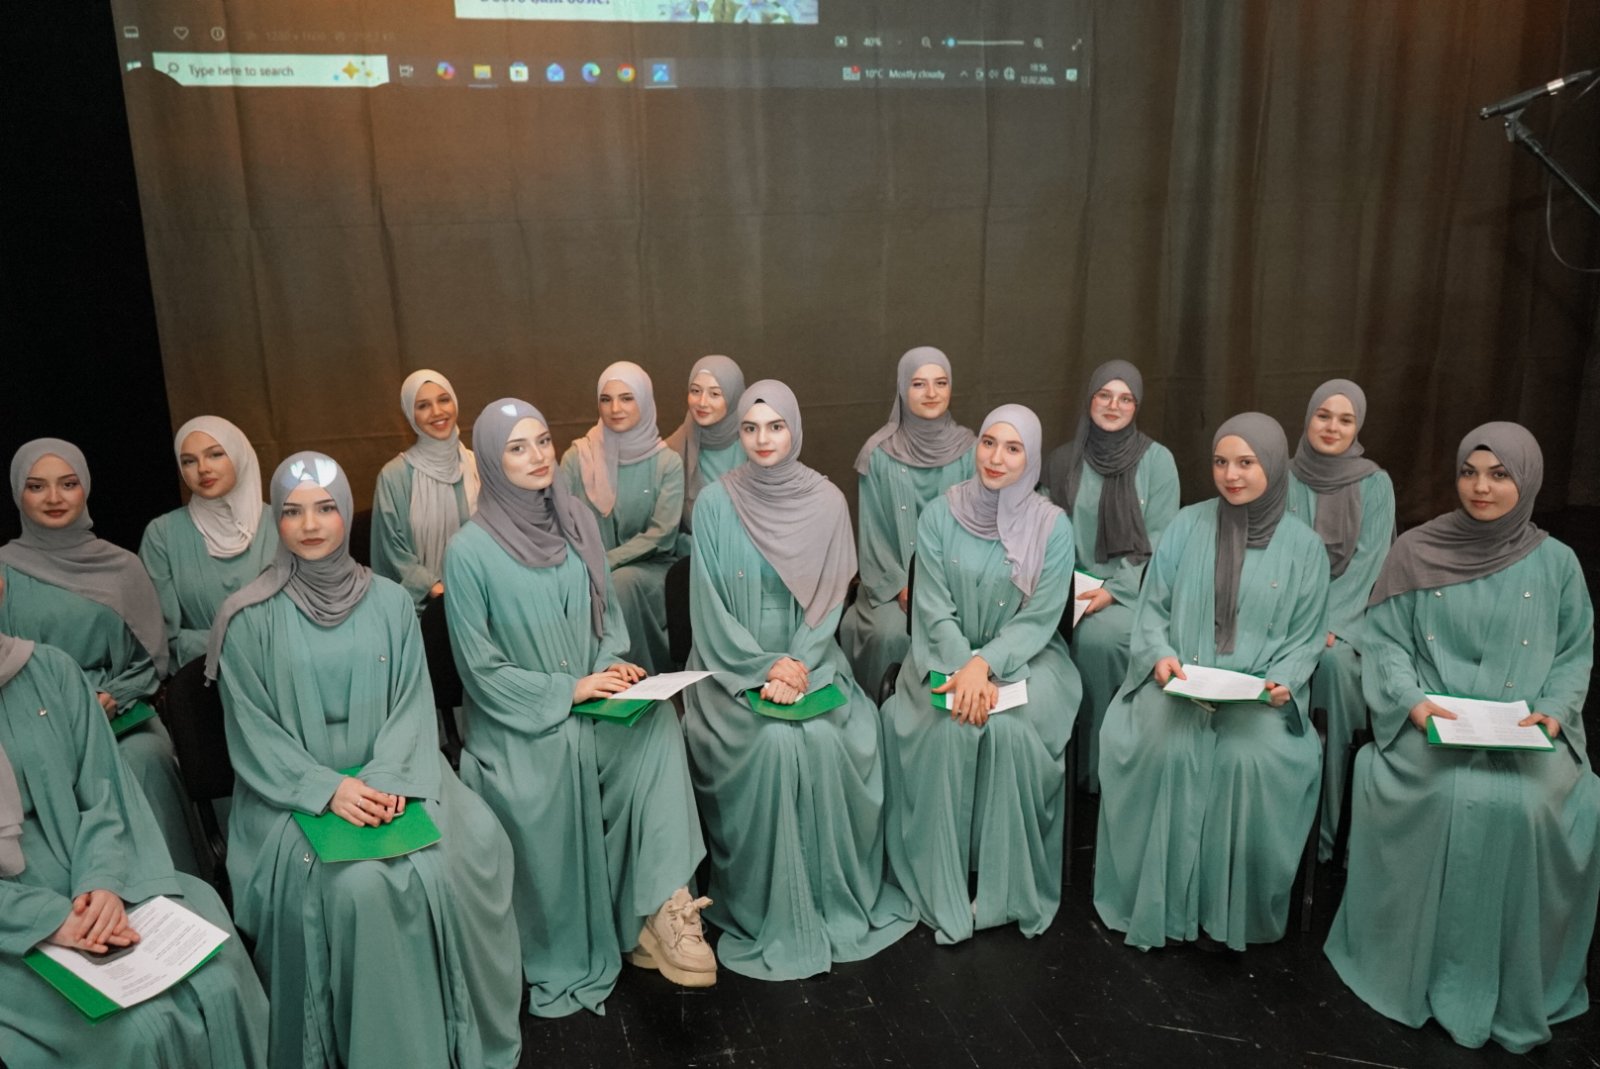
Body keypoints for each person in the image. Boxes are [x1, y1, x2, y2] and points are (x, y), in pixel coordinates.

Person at [208, 451, 522, 1069]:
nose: (310, 525)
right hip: (291, 796)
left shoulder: (390, 602)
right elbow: (253, 732)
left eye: (325, 508)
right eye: (293, 512)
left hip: (396, 776)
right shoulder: (244, 617)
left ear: (347, 512)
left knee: (469, 849)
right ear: (277, 520)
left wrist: (384, 781)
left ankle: (458, 1033)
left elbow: (411, 705)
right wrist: (329, 790)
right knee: (360, 888)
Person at [1325, 422, 1597, 1053]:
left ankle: (1512, 980)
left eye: (1499, 475)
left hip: (1525, 728)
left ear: (1527, 480)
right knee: (1444, 793)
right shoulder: (1416, 548)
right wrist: (1413, 705)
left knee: (1534, 804)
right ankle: (1407, 966)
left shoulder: (1557, 563)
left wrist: (1554, 712)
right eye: (1470, 473)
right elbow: (1386, 643)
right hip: (1430, 723)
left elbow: (1574, 653)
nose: (1481, 487)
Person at [444, 397, 713, 1015]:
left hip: (589, 696)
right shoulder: (468, 552)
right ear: (491, 460)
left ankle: (666, 906)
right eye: (517, 448)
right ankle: (639, 918)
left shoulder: (577, 521)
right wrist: (564, 691)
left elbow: (606, 619)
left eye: (542, 441)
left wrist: (611, 663)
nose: (537, 456)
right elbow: (480, 670)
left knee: (655, 725)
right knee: (568, 751)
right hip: (520, 723)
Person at [683, 379, 917, 980]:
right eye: (751, 428)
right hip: (729, 666)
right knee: (772, 745)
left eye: (775, 426)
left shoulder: (828, 501)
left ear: (795, 429)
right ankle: (766, 906)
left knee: (829, 739)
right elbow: (709, 611)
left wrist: (798, 665)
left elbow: (831, 601)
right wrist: (762, 667)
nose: (763, 439)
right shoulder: (715, 503)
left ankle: (831, 898)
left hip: (811, 657)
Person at [0, 595, 270, 1069]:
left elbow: (104, 792)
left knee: (218, 982)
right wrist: (50, 920)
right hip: (13, 921)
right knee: (138, 1033)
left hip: (106, 873)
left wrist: (102, 883)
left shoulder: (52, 670)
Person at [1093, 414, 1328, 951]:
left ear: (1274, 465)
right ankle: (1158, 905)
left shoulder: (1305, 547)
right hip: (1179, 684)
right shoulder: (1186, 525)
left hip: (1259, 699)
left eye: (1246, 463)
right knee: (1164, 749)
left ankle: (1226, 914)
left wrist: (1285, 679)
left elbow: (1307, 636)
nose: (1231, 475)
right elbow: (1152, 608)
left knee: (1248, 762)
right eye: (1221, 462)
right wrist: (1160, 656)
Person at [881, 404, 1080, 944]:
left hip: (1029, 659)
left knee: (1011, 733)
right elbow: (932, 607)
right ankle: (939, 879)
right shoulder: (939, 515)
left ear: (1031, 457)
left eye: (1013, 448)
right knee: (949, 730)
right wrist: (962, 665)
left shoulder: (1052, 526)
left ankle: (1004, 890)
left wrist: (983, 664)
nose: (996, 458)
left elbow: (1040, 618)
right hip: (941, 654)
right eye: (989, 443)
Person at [0, 439, 200, 876]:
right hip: (28, 720)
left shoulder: (122, 567)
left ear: (85, 488)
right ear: (18, 493)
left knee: (145, 758)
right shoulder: (3, 571)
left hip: (115, 716)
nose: (54, 498)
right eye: (37, 486)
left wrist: (115, 696)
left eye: (68, 484)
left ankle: (165, 890)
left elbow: (150, 660)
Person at [1042, 361, 1180, 792]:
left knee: (1100, 640)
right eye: (1104, 395)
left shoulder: (1158, 461)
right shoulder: (1063, 460)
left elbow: (1161, 538)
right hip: (1067, 586)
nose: (1113, 406)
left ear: (1136, 406)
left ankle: (1101, 771)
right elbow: (1043, 530)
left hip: (1134, 589)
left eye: (1125, 399)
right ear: (1090, 399)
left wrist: (1113, 590)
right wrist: (1064, 588)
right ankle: (1056, 768)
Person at [1283, 380, 1394, 860]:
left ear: (1358, 427)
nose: (1332, 427)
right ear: (1308, 417)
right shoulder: (1281, 475)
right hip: (1285, 615)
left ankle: (1323, 831)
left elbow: (1371, 564)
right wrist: (1302, 623)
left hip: (1348, 620)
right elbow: (1275, 556)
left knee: (1333, 666)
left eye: (1345, 420)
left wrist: (1328, 624)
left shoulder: (1375, 483)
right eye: (1323, 415)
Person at [840, 347, 976, 694]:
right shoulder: (878, 453)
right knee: (889, 634)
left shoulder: (973, 450)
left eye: (940, 383)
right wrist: (903, 586)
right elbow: (873, 537)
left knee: (965, 631)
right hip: (894, 586)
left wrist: (943, 590)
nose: (931, 393)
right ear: (902, 388)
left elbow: (980, 532)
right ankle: (886, 718)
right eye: (919, 384)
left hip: (959, 585)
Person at [562, 361, 684, 672]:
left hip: (649, 569)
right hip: (585, 568)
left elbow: (662, 535)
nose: (615, 408)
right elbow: (560, 521)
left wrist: (606, 562)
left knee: (620, 583)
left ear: (644, 400)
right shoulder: (578, 457)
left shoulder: (667, 463)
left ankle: (634, 679)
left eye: (626, 398)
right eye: (606, 399)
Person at [140, 416, 279, 670]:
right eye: (189, 461)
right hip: (202, 677)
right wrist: (245, 645)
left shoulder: (281, 525)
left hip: (282, 669)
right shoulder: (162, 534)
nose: (203, 468)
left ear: (239, 455)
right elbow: (163, 636)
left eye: (215, 454)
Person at [370, 368, 480, 610]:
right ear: (411, 415)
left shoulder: (477, 466)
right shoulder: (394, 476)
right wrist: (436, 588)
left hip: (483, 600)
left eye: (444, 400)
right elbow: (392, 549)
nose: (437, 412)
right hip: (426, 609)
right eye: (423, 406)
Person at [665, 354, 747, 559]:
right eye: (695, 391)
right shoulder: (673, 449)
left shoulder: (756, 446)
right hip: (694, 557)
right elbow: (666, 530)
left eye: (715, 394)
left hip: (749, 557)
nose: (702, 402)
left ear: (734, 396)